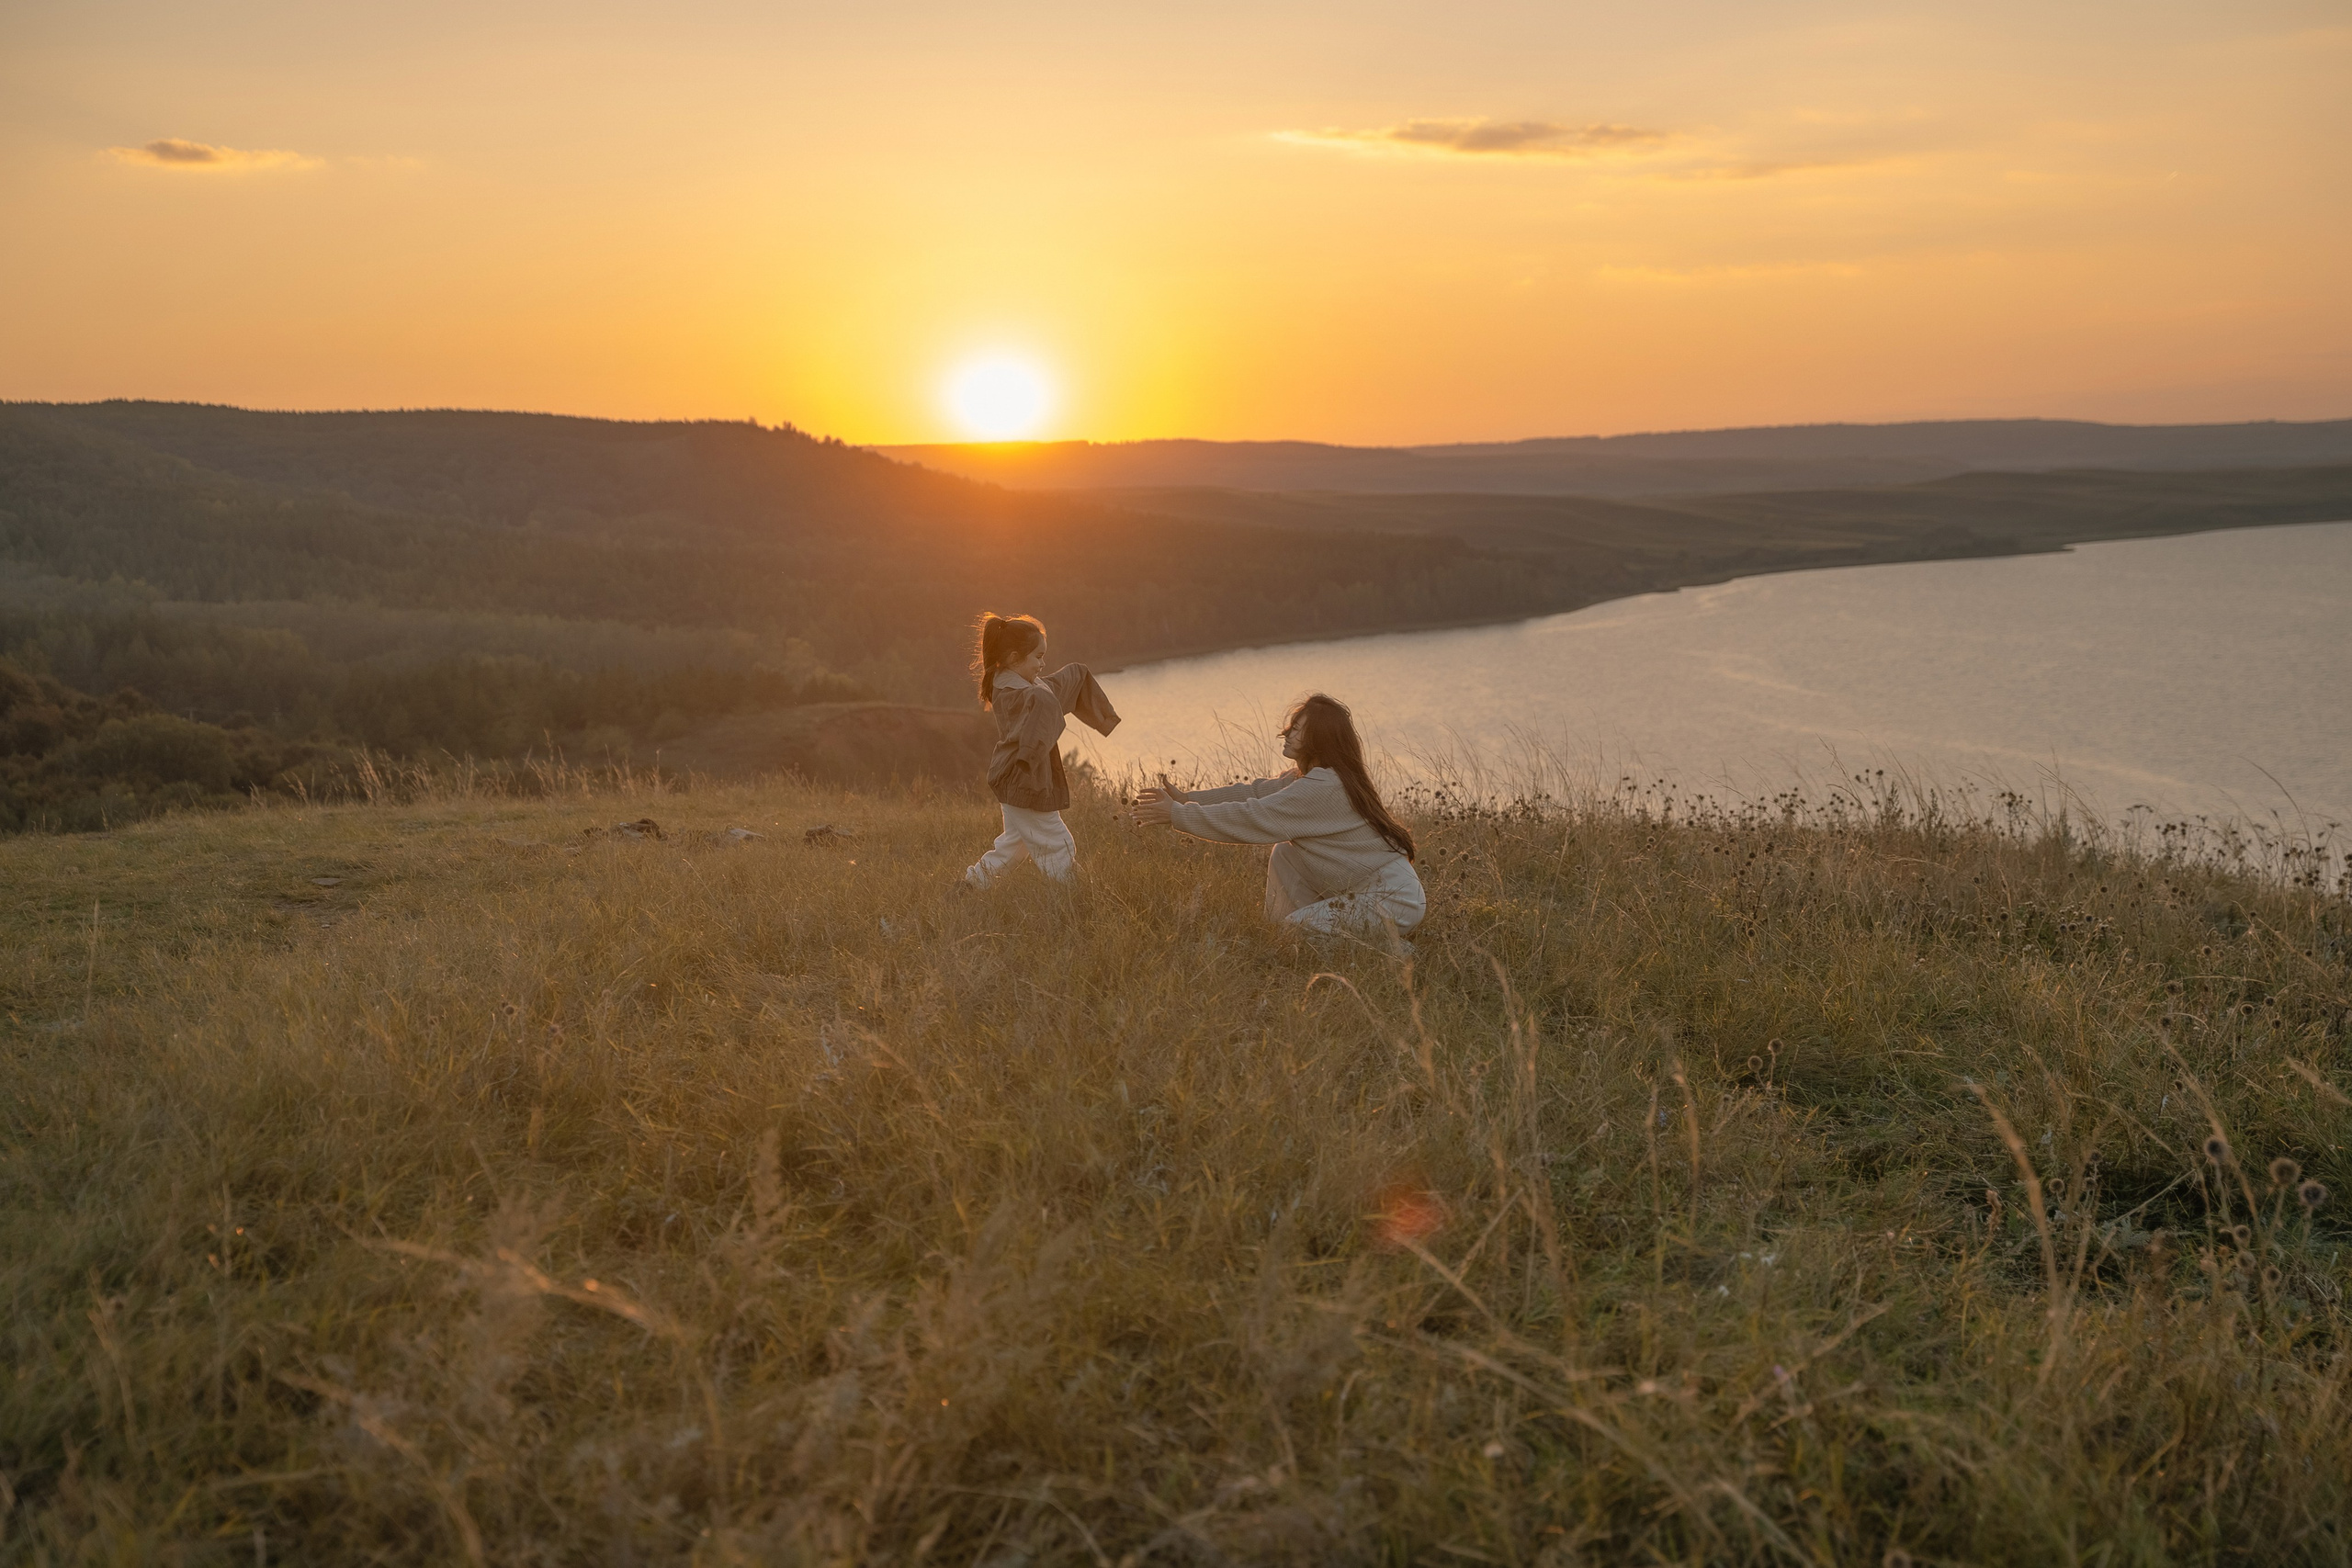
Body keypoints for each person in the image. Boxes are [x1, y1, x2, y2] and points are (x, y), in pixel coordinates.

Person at [1129, 693, 1423, 941]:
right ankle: (1281, 937)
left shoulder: (1323, 788)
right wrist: (1188, 799)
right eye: (1292, 726)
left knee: (1298, 931)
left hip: (1391, 900)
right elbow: (1255, 793)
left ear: (1319, 739)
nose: (1289, 732)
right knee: (1286, 853)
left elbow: (1254, 815)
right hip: (1363, 893)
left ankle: (1397, 953)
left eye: (1299, 729)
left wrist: (1178, 815)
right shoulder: (1307, 779)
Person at [966, 613, 1121, 887]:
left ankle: (968, 888)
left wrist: (1080, 677)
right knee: (1057, 844)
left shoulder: (1021, 685)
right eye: (1037, 657)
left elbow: (1056, 687)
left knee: (1012, 848)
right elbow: (1042, 699)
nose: (1043, 663)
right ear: (1014, 658)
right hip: (1025, 779)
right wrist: (1029, 755)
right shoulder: (1018, 694)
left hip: (1013, 778)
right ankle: (1075, 897)